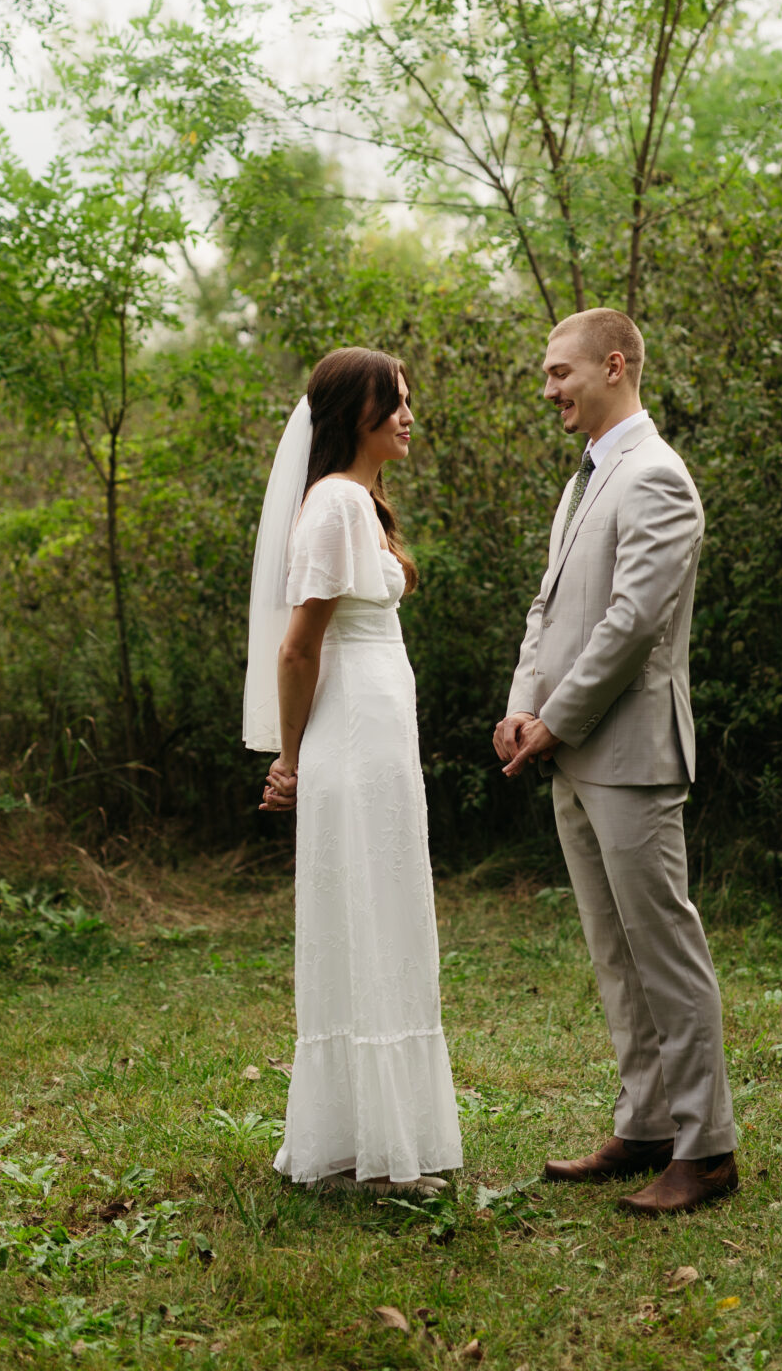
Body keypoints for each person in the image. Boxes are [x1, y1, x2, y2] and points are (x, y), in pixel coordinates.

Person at [493, 308, 737, 1217]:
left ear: (615, 363)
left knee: (663, 951)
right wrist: (524, 707)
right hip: (567, 748)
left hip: (628, 751)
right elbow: (548, 610)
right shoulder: (581, 483)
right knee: (612, 951)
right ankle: (644, 1124)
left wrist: (552, 720)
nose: (548, 389)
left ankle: (707, 1149)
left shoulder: (656, 477)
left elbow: (631, 624)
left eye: (560, 373)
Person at [245, 348, 461, 1192]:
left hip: (379, 729)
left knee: (384, 910)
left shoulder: (362, 504)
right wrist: (290, 759)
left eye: (408, 401)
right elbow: (298, 648)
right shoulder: (335, 504)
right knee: (366, 913)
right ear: (351, 416)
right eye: (391, 404)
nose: (408, 416)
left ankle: (376, 1136)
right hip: (351, 733)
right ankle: (369, 1153)